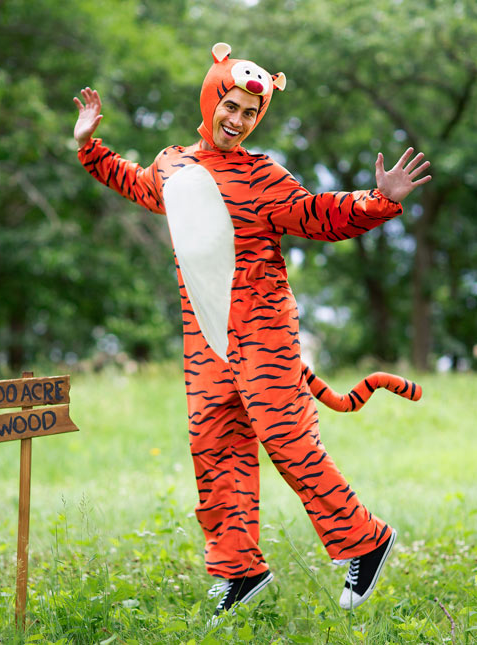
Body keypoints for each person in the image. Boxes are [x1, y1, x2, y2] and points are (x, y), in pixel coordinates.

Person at [73, 42, 431, 619]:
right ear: (211, 98)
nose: (236, 120)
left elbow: (319, 214)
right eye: (230, 105)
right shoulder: (172, 163)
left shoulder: (264, 176)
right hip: (206, 333)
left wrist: (377, 202)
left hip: (264, 330)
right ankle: (239, 571)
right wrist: (89, 146)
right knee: (214, 450)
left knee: (288, 442)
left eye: (249, 113)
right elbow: (139, 185)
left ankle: (367, 540)